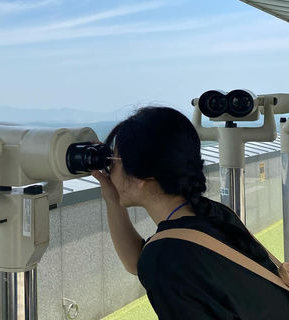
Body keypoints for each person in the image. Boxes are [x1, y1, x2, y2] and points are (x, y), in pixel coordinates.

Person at [91, 106, 289, 319]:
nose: (109, 169)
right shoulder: (213, 213)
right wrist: (112, 198)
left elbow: (158, 263)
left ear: (144, 176)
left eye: (114, 162)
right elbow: (138, 263)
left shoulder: (164, 256)